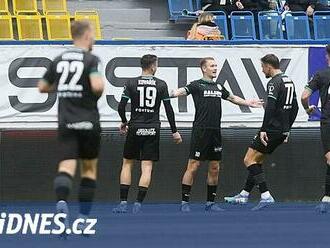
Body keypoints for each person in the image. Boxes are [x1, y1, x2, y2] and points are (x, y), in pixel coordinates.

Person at [170, 57, 264, 212]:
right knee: (193, 166)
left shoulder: (219, 86)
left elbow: (233, 98)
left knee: (215, 167)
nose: (215, 68)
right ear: (204, 69)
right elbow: (180, 91)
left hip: (215, 132)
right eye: (212, 66)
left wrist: (249, 102)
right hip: (201, 131)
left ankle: (210, 203)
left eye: (216, 66)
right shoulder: (196, 85)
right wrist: (168, 93)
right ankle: (184, 202)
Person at [38, 21, 104, 234]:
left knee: (66, 167)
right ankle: (83, 221)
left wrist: (64, 87)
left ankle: (61, 205)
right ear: (85, 36)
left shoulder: (59, 60)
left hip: (66, 121)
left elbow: (42, 87)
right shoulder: (91, 59)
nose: (93, 39)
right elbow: (97, 87)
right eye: (92, 35)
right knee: (89, 170)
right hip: (88, 122)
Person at [225, 54, 299, 210]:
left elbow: (270, 107)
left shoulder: (274, 82)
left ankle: (266, 195)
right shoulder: (288, 81)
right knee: (256, 160)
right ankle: (244, 194)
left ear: (268, 66)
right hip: (281, 129)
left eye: (262, 67)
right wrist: (287, 129)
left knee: (248, 160)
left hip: (271, 128)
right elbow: (295, 108)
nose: (262, 70)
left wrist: (264, 129)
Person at [112, 54, 182, 214]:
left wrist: (124, 122)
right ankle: (138, 203)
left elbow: (121, 106)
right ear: (152, 66)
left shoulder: (131, 83)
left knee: (127, 164)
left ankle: (123, 203)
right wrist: (174, 131)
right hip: (152, 128)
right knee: (147, 166)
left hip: (135, 126)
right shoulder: (161, 84)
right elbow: (169, 110)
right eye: (156, 64)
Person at [301, 45, 330, 213]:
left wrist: (307, 109)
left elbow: (304, 96)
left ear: (327, 56)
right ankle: (326, 198)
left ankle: (326, 199)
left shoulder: (321, 74)